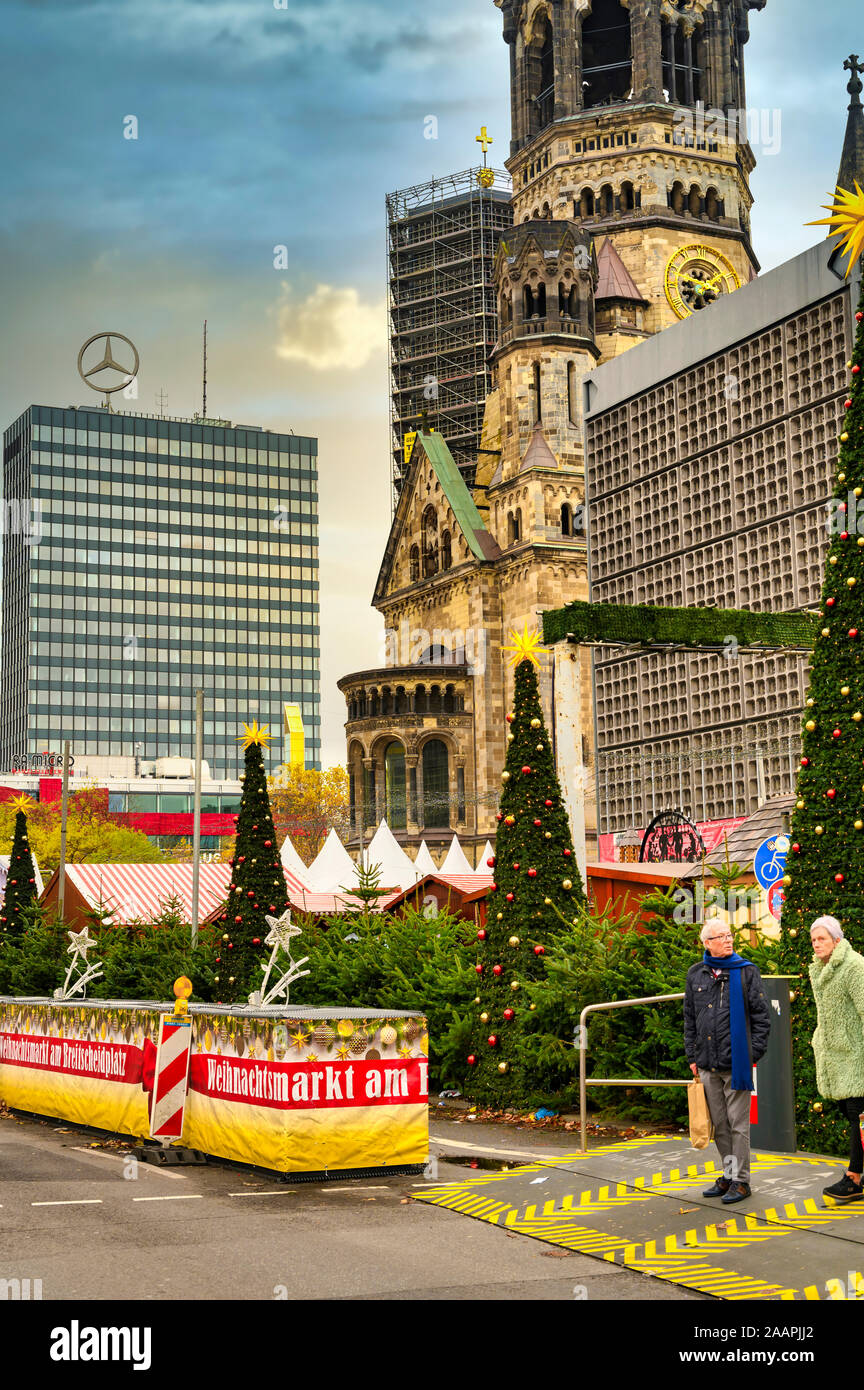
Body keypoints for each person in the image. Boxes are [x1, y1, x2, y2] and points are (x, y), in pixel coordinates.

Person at [683, 918, 771, 1204]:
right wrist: (692, 1057)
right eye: (721, 936)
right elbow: (689, 1020)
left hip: (737, 1065)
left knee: (738, 1124)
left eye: (729, 935)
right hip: (707, 1064)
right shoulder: (696, 974)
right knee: (720, 1125)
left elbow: (761, 1018)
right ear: (707, 943)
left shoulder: (746, 972)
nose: (728, 940)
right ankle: (729, 1175)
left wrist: (751, 1054)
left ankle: (742, 1181)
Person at [809, 915, 864, 1202]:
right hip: (837, 1054)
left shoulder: (854, 966)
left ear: (837, 940)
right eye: (814, 940)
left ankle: (854, 1178)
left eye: (822, 939)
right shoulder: (822, 969)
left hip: (856, 1054)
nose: (817, 944)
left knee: (858, 1115)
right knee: (850, 1113)